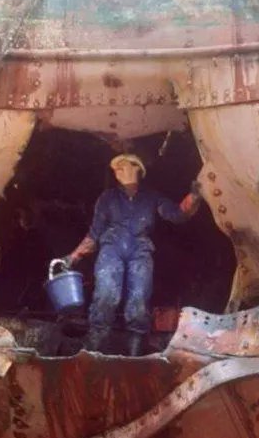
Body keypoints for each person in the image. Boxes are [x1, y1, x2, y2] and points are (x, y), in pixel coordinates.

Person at [61, 153, 202, 356]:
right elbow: (94, 235)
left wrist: (194, 196)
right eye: (115, 167)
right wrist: (73, 256)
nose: (117, 170)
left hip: (140, 250)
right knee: (107, 293)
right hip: (111, 250)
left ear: (138, 169)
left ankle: (134, 350)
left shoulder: (152, 197)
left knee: (138, 300)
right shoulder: (107, 198)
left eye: (122, 165)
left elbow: (178, 214)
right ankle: (93, 344)